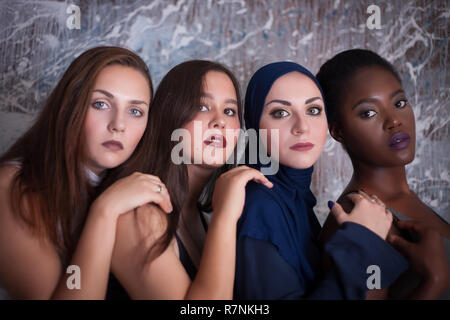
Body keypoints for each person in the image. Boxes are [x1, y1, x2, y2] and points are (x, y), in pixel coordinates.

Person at [0, 46, 173, 299]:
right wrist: (105, 211)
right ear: (70, 105)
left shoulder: (132, 188)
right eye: (101, 104)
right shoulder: (11, 187)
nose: (118, 125)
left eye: (135, 111)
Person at [234, 61, 409, 300]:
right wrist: (362, 240)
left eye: (313, 110)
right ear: (255, 126)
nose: (302, 127)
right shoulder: (260, 207)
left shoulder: (295, 199)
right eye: (281, 113)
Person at [104, 60, 272, 299]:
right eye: (202, 107)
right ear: (170, 115)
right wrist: (225, 216)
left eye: (230, 111)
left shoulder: (200, 217)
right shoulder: (139, 214)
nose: (220, 122)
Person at [316, 49, 449, 299]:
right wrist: (434, 281)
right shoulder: (357, 222)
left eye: (399, 103)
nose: (394, 121)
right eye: (368, 112)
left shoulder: (407, 198)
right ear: (338, 131)